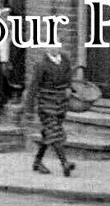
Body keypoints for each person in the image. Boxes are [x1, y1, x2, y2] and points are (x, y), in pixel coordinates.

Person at [23, 45, 76, 177]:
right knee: (55, 132)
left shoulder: (65, 60)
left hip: (61, 104)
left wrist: (69, 87)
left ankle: (37, 161)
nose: (54, 49)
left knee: (49, 134)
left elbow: (69, 76)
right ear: (46, 48)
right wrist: (29, 110)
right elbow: (34, 86)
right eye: (51, 46)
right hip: (46, 104)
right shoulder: (41, 65)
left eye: (56, 46)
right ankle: (65, 163)